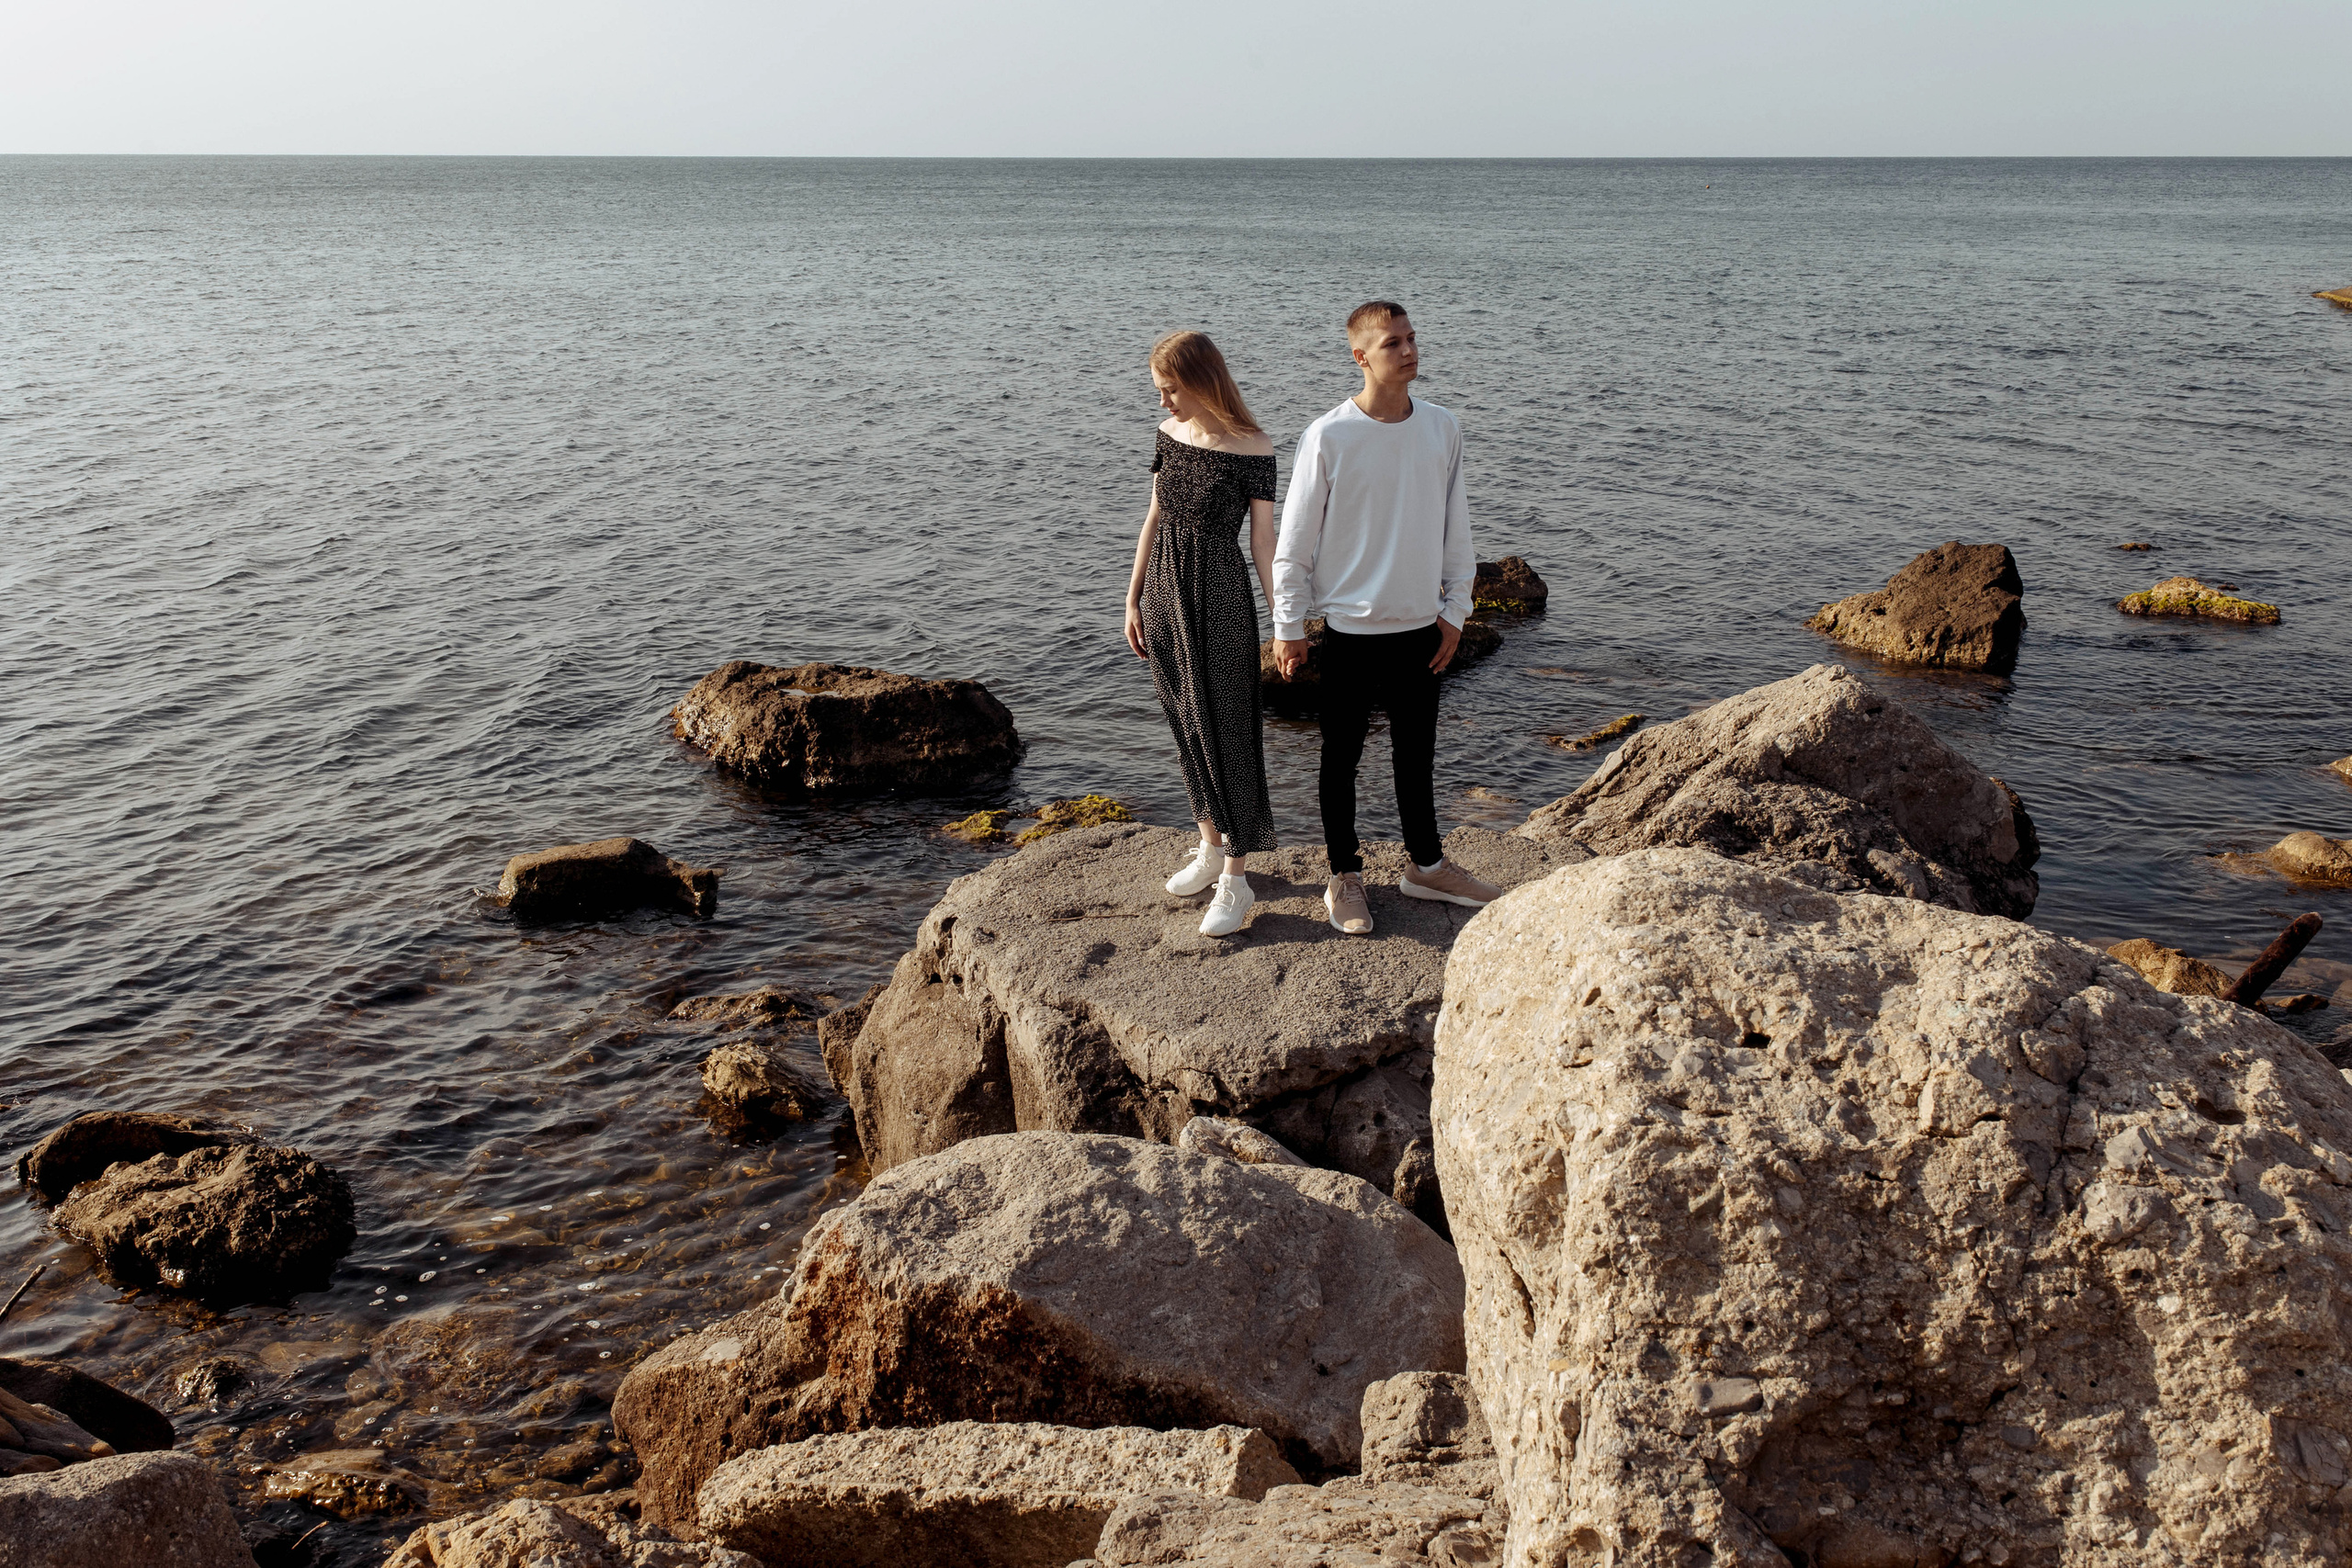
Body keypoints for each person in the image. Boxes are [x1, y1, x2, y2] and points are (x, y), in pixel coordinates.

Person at [1272, 301, 1500, 936]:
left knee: (1416, 756)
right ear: (1360, 356)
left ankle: (1425, 865)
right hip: (1349, 631)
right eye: (1392, 342)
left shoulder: (1442, 427)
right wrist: (1289, 626)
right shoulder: (1329, 435)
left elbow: (1458, 527)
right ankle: (1344, 875)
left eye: (1411, 338)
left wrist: (1456, 611)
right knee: (1339, 758)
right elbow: (1295, 543)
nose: (1408, 350)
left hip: (1420, 628)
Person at [1123, 330, 1280, 938]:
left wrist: (1284, 621)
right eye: (1159, 391)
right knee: (1185, 722)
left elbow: (1264, 543)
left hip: (1218, 597)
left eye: (1170, 389)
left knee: (1228, 731)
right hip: (1162, 592)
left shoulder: (1254, 448)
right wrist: (1131, 598)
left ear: (1202, 381)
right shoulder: (1169, 436)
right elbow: (1153, 516)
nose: (1163, 402)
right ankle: (1209, 843)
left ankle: (1236, 880)